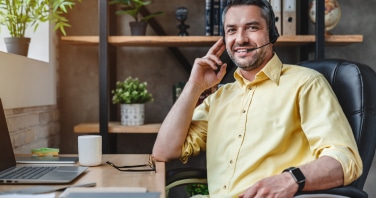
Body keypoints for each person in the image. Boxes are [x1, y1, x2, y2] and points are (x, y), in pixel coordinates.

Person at [152, 0, 363, 197]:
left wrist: (290, 179)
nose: (241, 38)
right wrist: (194, 86)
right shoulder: (220, 97)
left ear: (272, 33)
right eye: (231, 30)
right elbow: (164, 151)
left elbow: (345, 161)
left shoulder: (306, 84)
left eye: (252, 27)